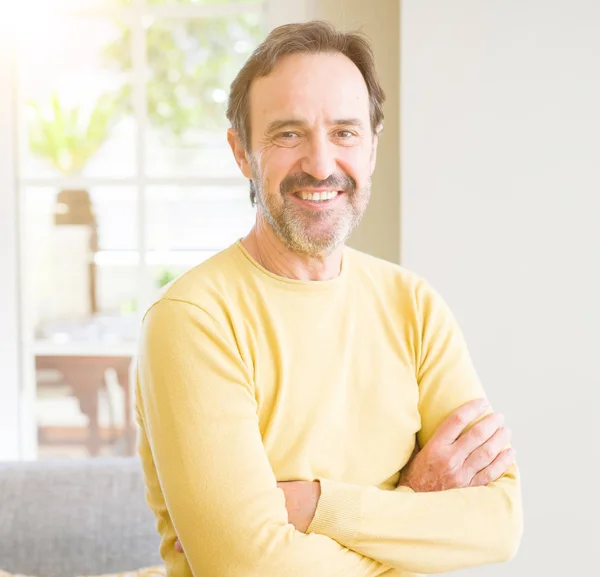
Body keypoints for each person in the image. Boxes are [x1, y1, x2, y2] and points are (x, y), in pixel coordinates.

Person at [135, 20, 523, 577]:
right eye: (288, 134)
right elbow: (248, 568)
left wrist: (317, 505)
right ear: (242, 152)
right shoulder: (193, 320)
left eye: (344, 132)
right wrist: (415, 507)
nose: (320, 165)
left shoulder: (414, 305)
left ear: (370, 148)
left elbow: (499, 524)